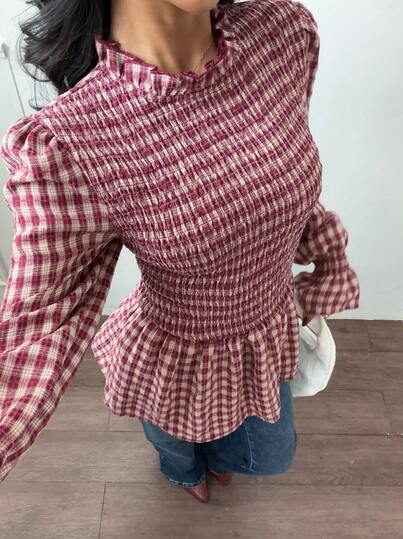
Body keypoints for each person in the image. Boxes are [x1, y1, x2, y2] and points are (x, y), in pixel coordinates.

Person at [0, 0, 360, 503]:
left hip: (266, 327)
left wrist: (319, 251)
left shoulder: (282, 34)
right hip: (173, 352)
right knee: (176, 441)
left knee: (270, 455)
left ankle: (212, 457)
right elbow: (33, 331)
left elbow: (279, 183)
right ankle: (181, 471)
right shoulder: (68, 145)